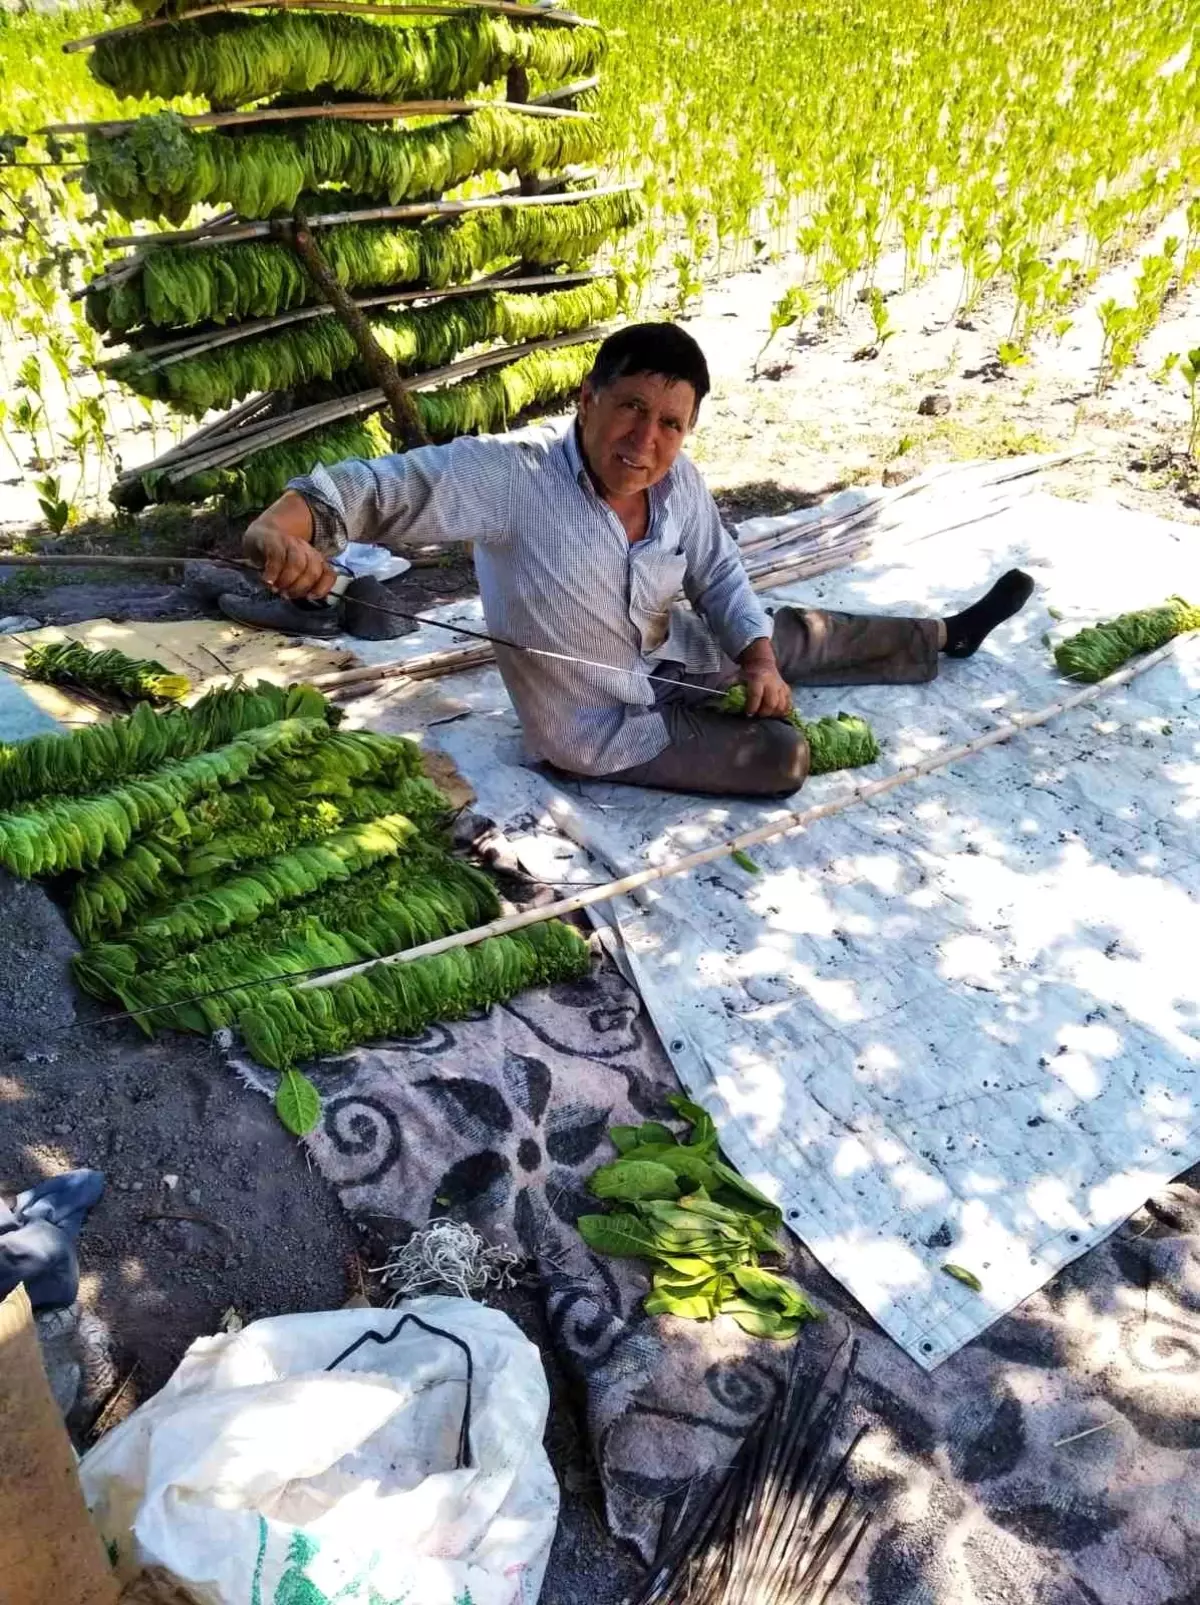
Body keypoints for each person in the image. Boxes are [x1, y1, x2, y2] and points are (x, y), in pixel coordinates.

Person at [243, 322, 1034, 797]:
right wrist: (283, 529)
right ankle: (722, 719)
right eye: (629, 408)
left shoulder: (677, 481)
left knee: (787, 633)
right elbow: (372, 489)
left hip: (668, 656)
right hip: (598, 725)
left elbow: (720, 574)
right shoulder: (509, 482)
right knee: (783, 754)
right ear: (587, 398)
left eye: (669, 424)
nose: (645, 442)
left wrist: (755, 660)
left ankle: (939, 637)